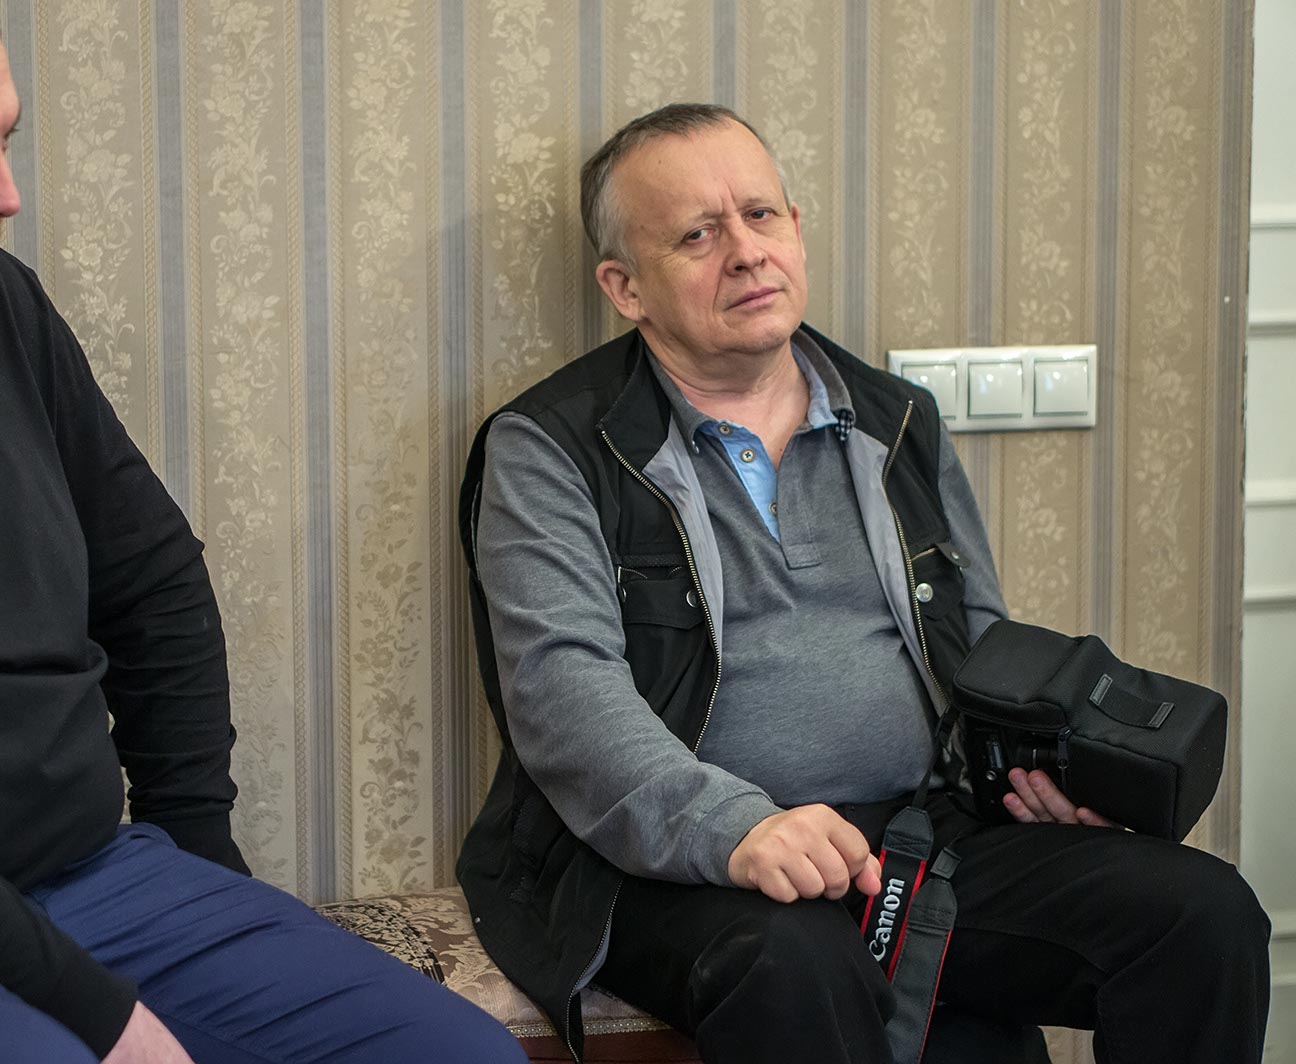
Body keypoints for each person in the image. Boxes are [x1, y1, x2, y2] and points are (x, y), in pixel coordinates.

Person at [0, 3, 525, 1063]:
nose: (5, 192)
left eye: (6, 141)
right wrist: (100, 1013)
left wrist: (200, 856)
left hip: (93, 875)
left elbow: (151, 578)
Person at [457, 102, 1271, 1064]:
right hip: (672, 857)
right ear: (625, 286)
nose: (746, 252)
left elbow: (980, 645)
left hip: (917, 832)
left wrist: (1028, 774)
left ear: (796, 229)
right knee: (796, 960)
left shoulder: (897, 419)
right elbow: (562, 697)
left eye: (761, 215)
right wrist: (738, 828)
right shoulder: (550, 446)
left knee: (1203, 916)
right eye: (697, 235)